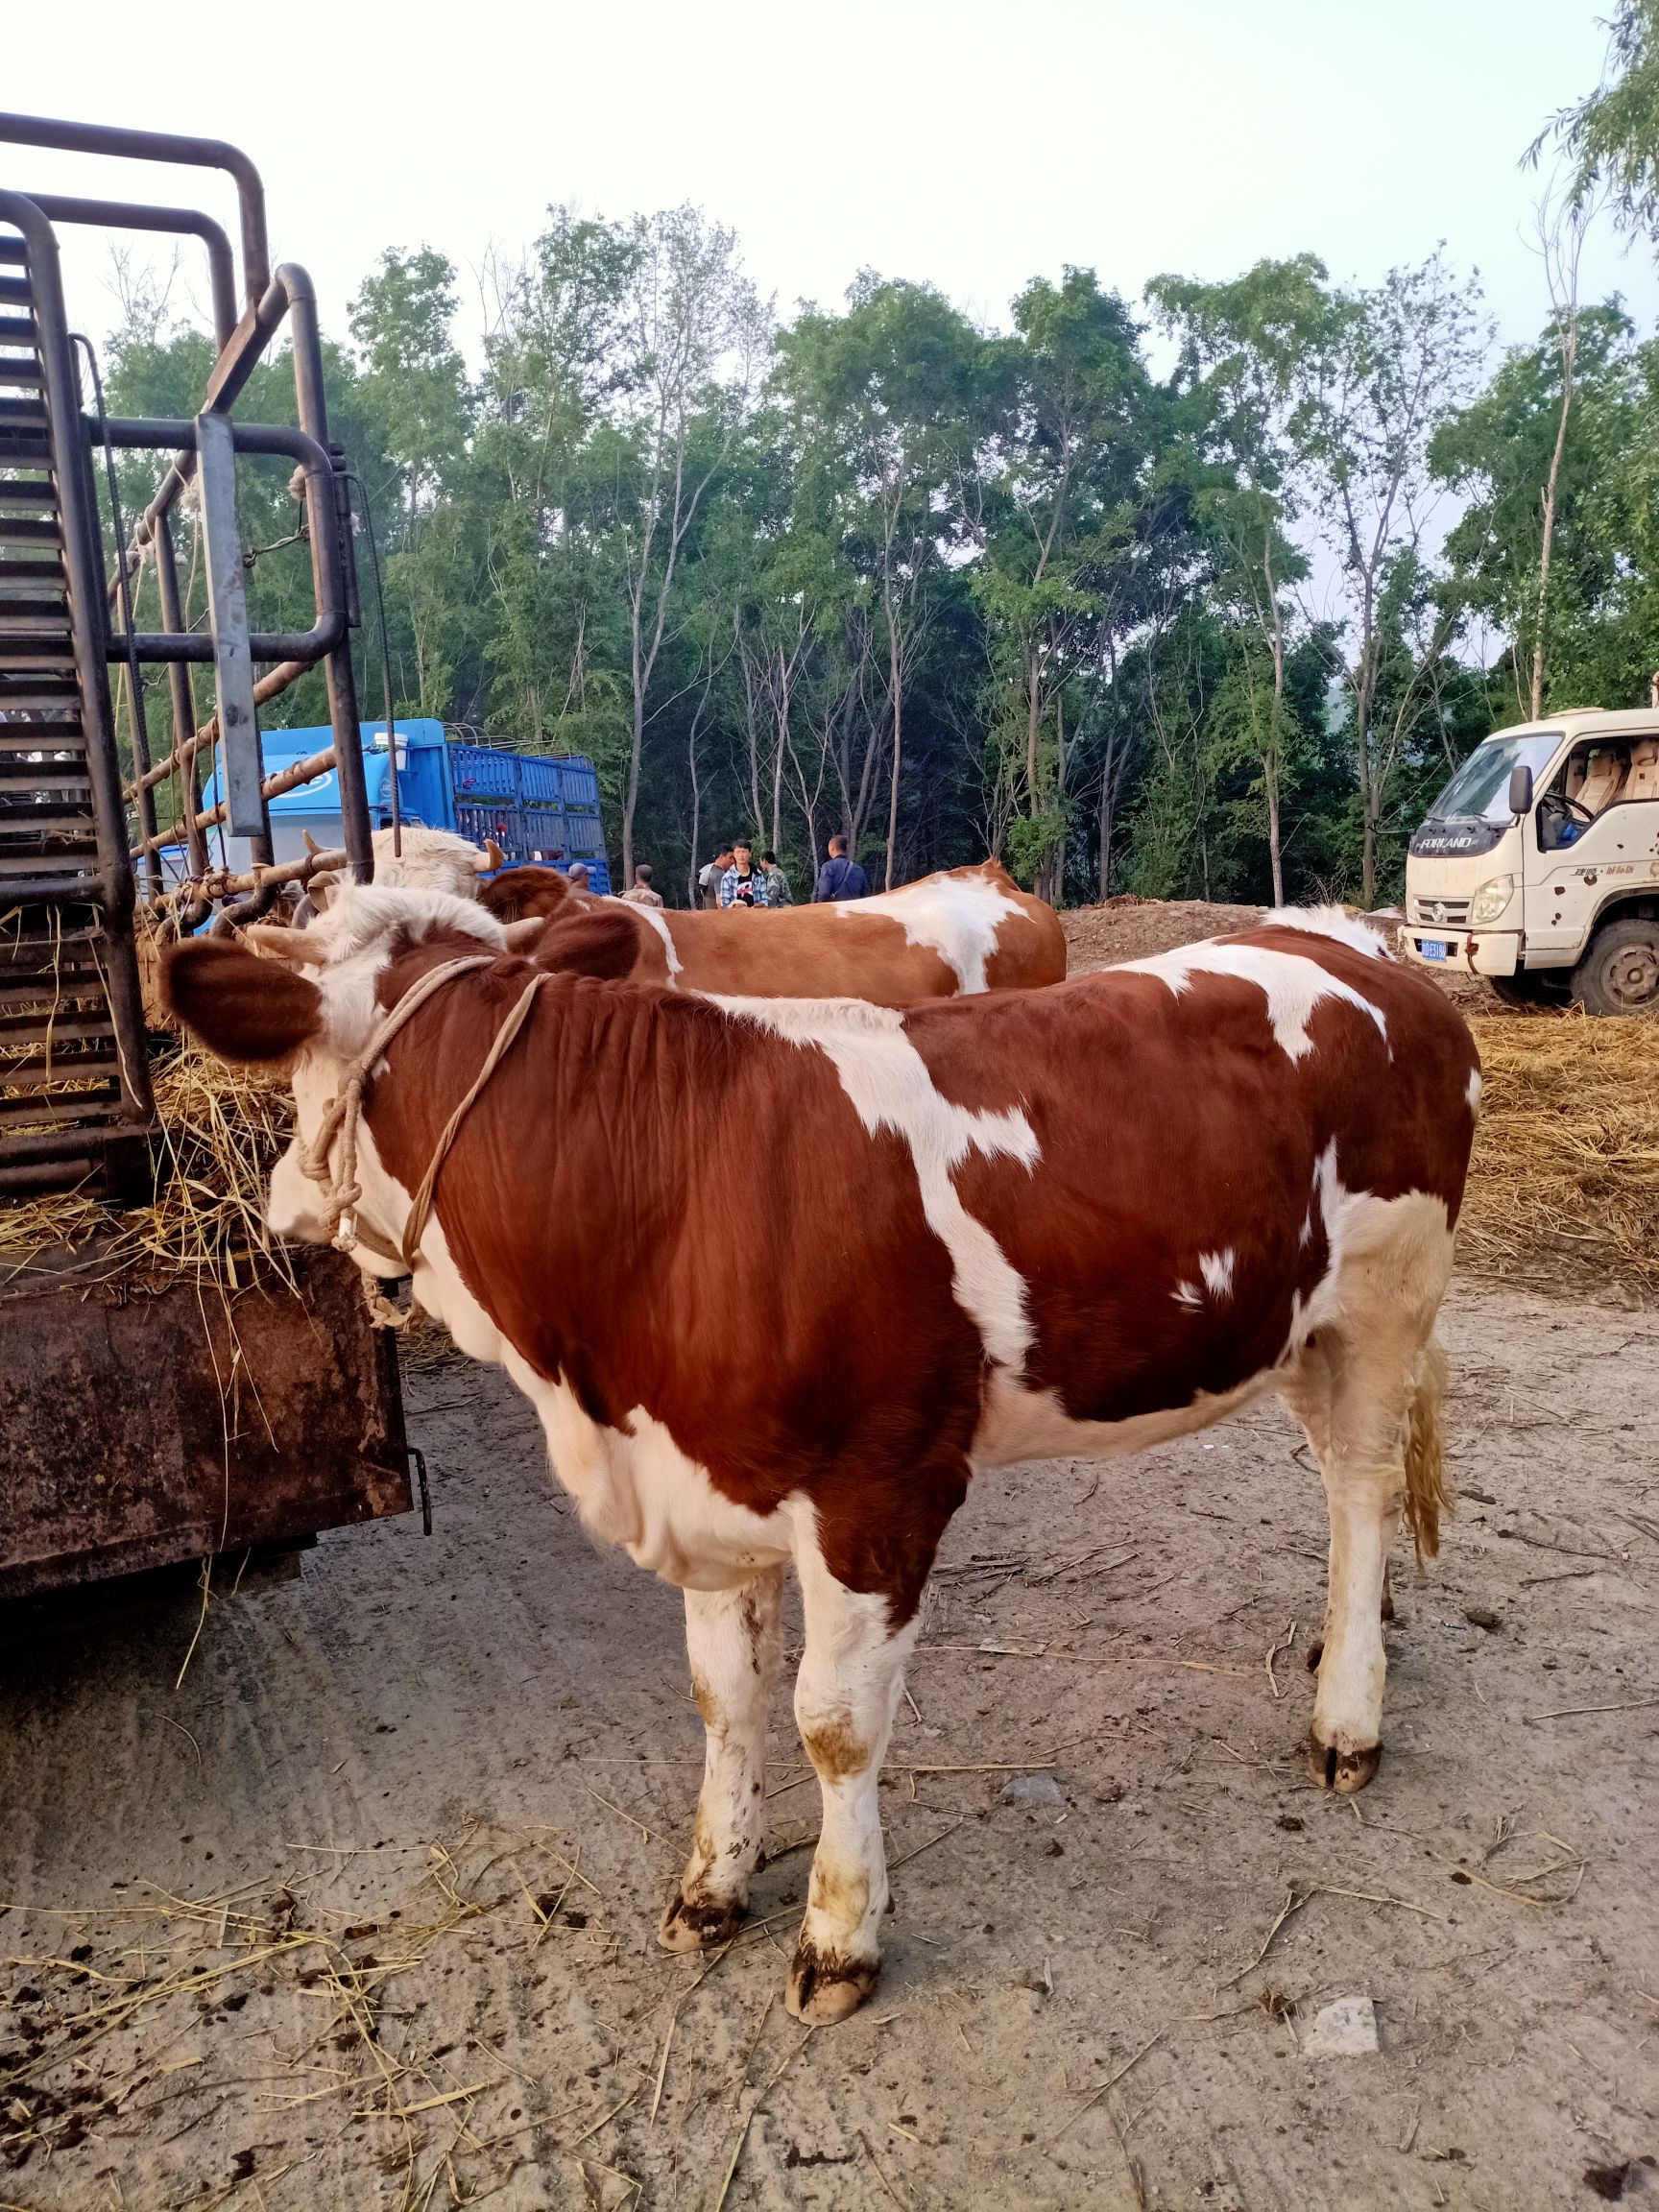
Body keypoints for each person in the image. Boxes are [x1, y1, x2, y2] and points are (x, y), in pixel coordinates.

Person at [812, 833, 869, 902]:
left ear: (832, 847)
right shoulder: (859, 869)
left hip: (835, 910)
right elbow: (865, 894)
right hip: (854, 910)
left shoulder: (828, 867)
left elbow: (824, 894)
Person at [718, 838, 765, 908]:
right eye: (738, 852)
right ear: (734, 854)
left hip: (756, 916)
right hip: (736, 917)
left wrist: (757, 907)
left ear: (750, 854)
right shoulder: (727, 878)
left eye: (744, 852)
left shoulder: (758, 875)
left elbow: (765, 901)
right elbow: (724, 904)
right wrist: (733, 905)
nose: (741, 855)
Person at [699, 844, 734, 909]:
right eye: (730, 857)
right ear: (721, 857)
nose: (733, 861)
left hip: (706, 914)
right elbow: (720, 903)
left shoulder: (708, 869)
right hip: (716, 916)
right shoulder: (719, 874)